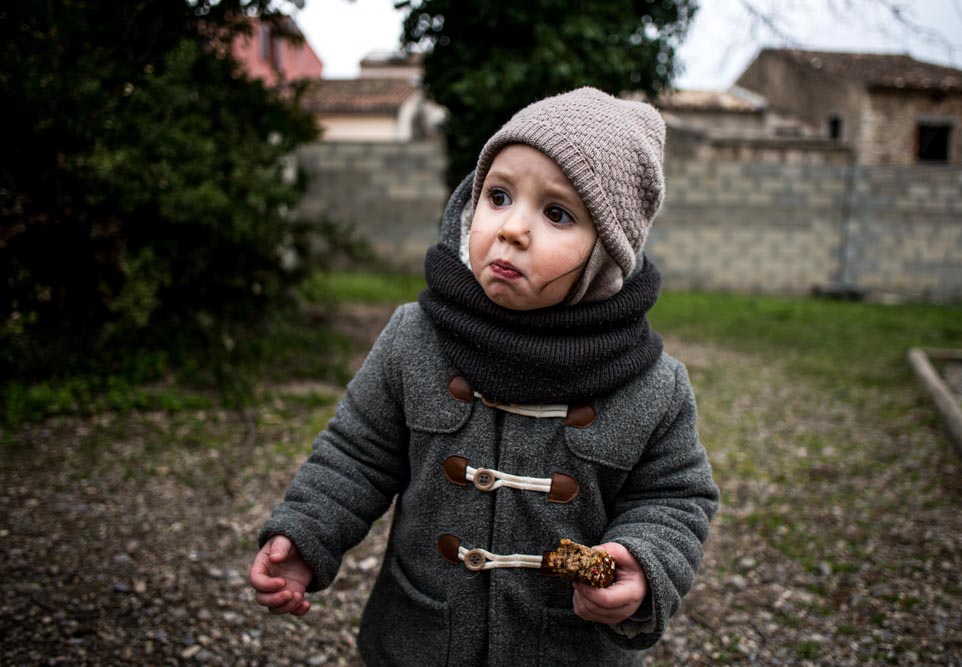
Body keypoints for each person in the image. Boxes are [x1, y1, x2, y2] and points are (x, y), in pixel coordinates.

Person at [250, 87, 719, 665]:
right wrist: (305, 535)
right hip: (421, 640)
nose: (512, 229)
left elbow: (676, 497)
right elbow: (356, 452)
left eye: (557, 213)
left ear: (608, 252)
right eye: (498, 196)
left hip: (565, 650)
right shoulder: (416, 338)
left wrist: (645, 563)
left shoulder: (651, 386)